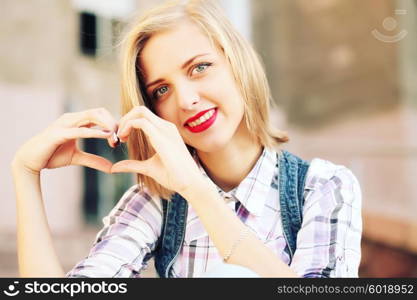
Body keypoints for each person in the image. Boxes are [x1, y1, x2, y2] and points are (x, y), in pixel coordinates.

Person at [11, 0, 362, 278]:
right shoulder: (157, 201)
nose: (186, 100)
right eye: (161, 90)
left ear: (237, 63)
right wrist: (25, 174)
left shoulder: (323, 186)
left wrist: (196, 188)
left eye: (199, 68)